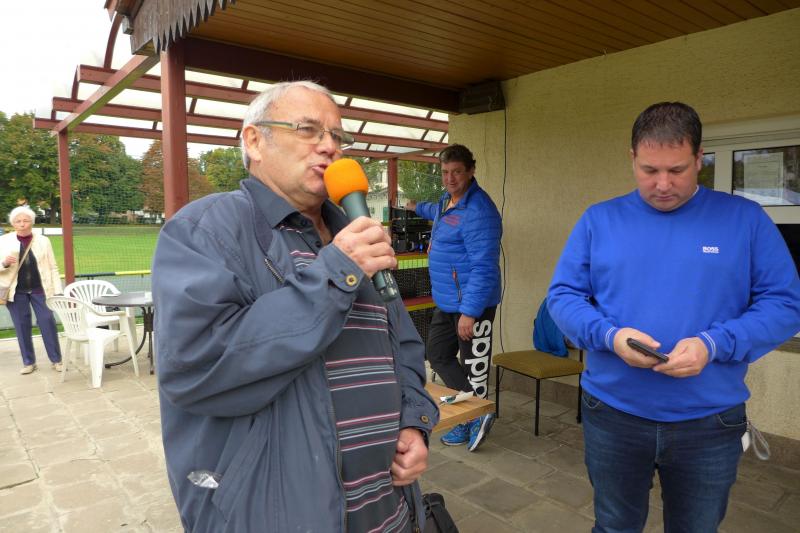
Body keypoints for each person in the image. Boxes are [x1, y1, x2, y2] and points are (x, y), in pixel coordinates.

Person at [152, 81, 439, 532]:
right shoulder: (204, 230)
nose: (329, 146)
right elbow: (197, 366)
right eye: (308, 129)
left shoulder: (355, 235)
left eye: (337, 136)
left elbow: (403, 345)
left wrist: (413, 422)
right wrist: (336, 274)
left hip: (389, 511)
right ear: (254, 141)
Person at [547, 102, 800, 533]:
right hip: (613, 413)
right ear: (632, 158)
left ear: (700, 158)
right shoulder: (599, 220)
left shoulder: (745, 220)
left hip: (708, 421)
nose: (663, 184)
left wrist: (713, 344)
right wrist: (610, 336)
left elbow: (785, 304)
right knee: (614, 526)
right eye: (649, 170)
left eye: (677, 170)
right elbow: (563, 296)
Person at [406, 144, 502, 451]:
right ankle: (470, 412)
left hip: (472, 304)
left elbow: (484, 266)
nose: (450, 178)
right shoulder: (447, 201)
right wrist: (413, 206)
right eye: (445, 172)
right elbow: (436, 212)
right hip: (447, 301)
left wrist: (470, 312)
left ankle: (476, 413)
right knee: (437, 354)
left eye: (457, 172)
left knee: (473, 365)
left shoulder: (479, 211)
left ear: (471, 171)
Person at [0, 206, 63, 375]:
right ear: (13, 223)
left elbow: (53, 267)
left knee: (47, 321)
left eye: (25, 220)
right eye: (18, 221)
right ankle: (29, 362)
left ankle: (56, 360)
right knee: (22, 326)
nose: (22, 224)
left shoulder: (43, 241)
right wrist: (4, 263)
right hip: (15, 292)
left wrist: (58, 290)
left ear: (32, 222)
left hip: (40, 289)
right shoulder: (3, 240)